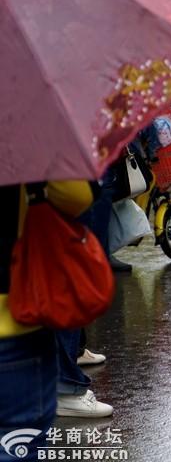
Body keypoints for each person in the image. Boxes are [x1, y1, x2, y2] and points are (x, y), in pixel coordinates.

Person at [1, 180, 104, 458]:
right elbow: (77, 194)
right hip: (13, 322)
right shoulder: (25, 137)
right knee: (15, 446)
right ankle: (69, 389)